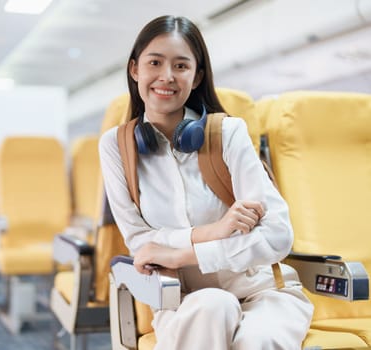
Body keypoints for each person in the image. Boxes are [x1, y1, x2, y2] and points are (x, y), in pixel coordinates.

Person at [99, 15, 313, 349]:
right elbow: (142, 245)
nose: (166, 76)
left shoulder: (228, 133)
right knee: (213, 305)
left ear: (196, 76)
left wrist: (179, 254)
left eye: (181, 66)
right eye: (155, 62)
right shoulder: (116, 146)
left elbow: (277, 236)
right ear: (134, 70)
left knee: (259, 340)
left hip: (261, 292)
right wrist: (213, 232)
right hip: (182, 299)